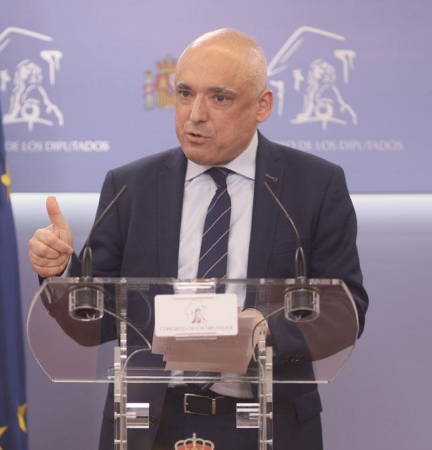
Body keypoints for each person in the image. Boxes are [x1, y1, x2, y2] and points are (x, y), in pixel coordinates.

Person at [28, 28, 369, 450]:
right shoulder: (129, 186)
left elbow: (345, 307)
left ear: (262, 105)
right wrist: (61, 269)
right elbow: (93, 324)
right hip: (151, 425)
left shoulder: (314, 185)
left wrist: (266, 332)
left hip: (268, 425)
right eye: (185, 93)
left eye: (219, 98)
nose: (195, 115)